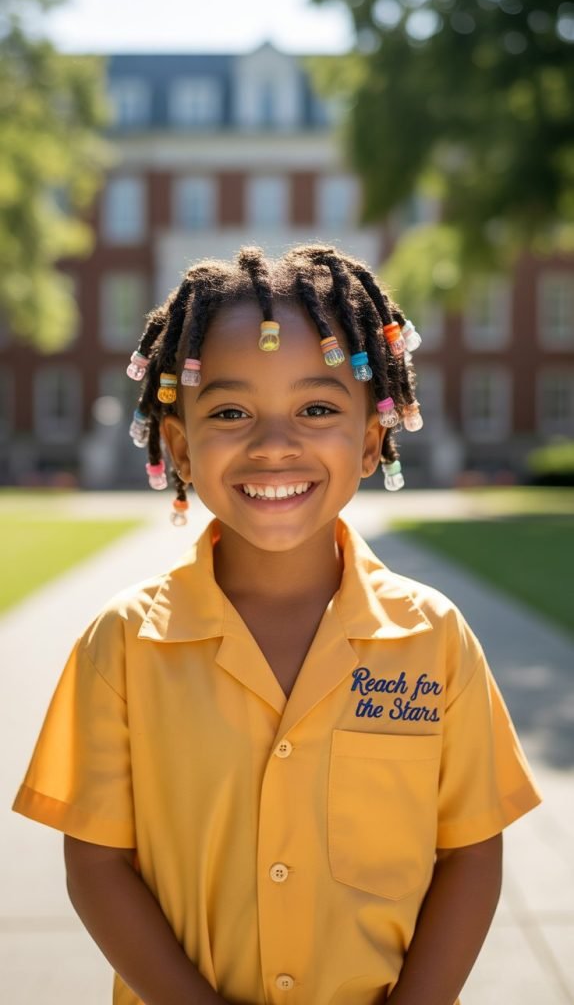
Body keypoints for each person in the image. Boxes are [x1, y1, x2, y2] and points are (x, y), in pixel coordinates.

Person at [13, 244, 541, 1005]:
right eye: (230, 412)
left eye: (317, 408)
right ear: (180, 446)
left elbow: (470, 849)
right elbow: (95, 864)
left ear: (371, 440)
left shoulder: (435, 637)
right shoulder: (122, 645)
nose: (274, 443)